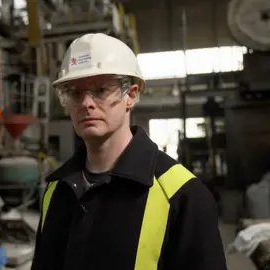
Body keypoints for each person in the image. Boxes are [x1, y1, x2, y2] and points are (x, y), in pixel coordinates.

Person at [31, 33, 227, 270]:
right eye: (74, 92)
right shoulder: (57, 190)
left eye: (101, 90)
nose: (86, 103)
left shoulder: (181, 194)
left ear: (131, 95)